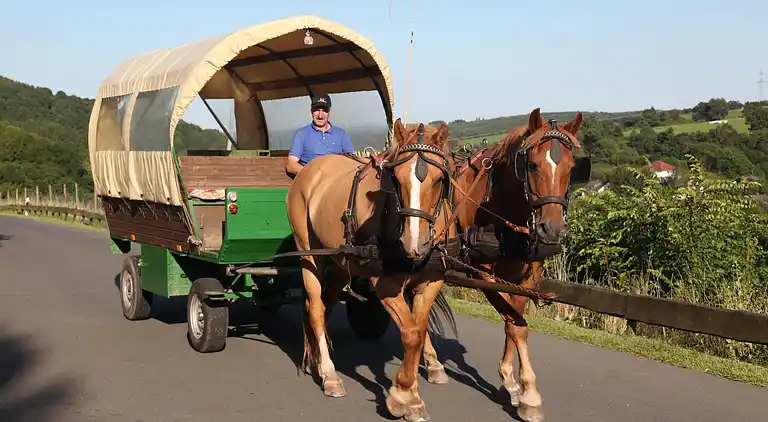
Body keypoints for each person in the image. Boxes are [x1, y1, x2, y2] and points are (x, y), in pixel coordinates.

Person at [285, 93, 355, 177]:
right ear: (311, 110)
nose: (320, 115)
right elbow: (291, 165)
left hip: (337, 181)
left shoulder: (341, 134)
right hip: (313, 183)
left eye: (324, 110)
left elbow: (352, 162)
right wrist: (314, 175)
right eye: (317, 110)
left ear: (329, 111)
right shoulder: (301, 134)